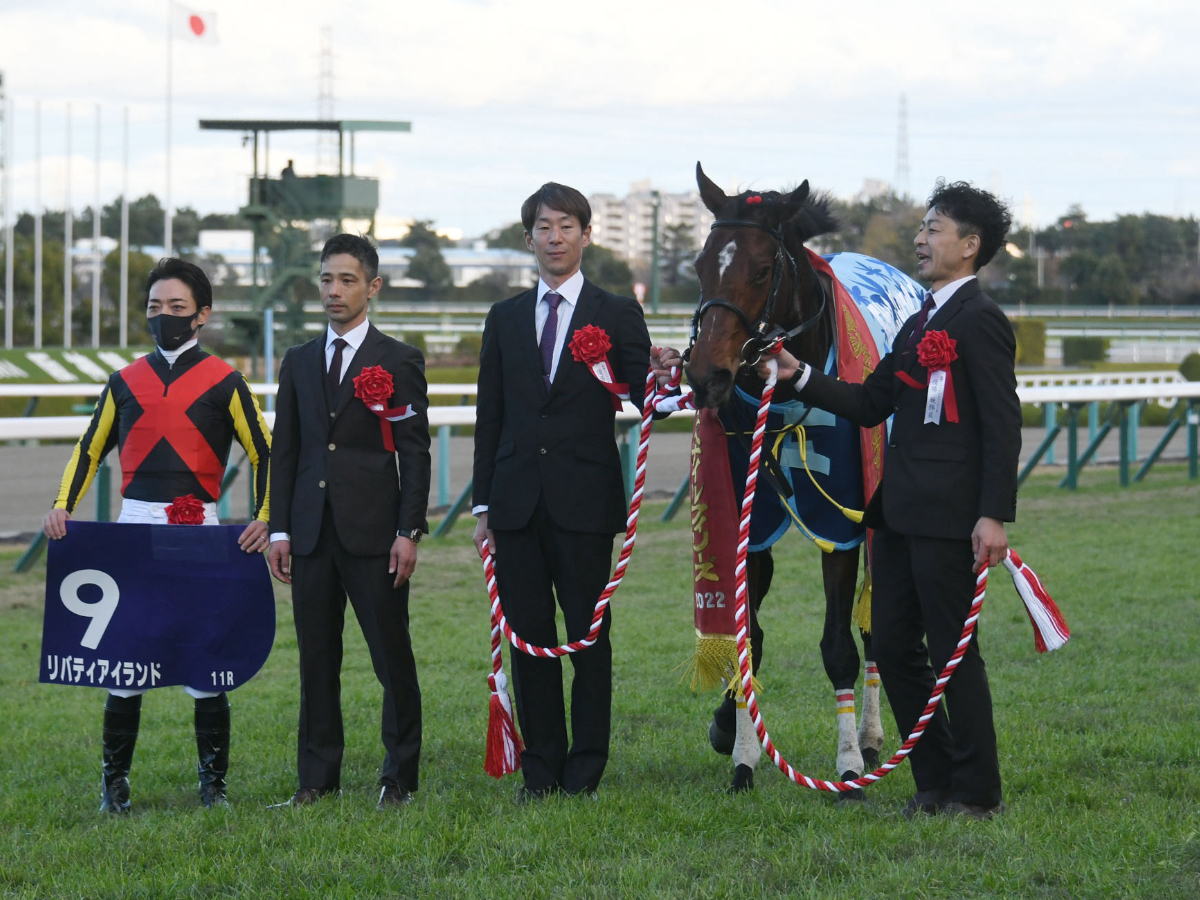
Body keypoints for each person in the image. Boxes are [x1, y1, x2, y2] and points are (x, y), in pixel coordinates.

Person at [762, 181, 1020, 820]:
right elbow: (871, 402)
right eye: (923, 228)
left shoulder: (981, 320)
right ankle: (932, 784)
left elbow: (1002, 423)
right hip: (897, 515)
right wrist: (801, 376)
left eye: (934, 228)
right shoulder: (918, 321)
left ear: (970, 245)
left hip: (951, 520)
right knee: (897, 645)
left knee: (955, 654)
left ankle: (979, 792)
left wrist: (993, 514)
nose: (920, 239)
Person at [472, 183, 681, 801]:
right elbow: (491, 415)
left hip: (584, 502)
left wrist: (669, 374)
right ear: (529, 237)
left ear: (586, 235)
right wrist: (483, 504)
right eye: (543, 227)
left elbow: (648, 396)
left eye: (566, 226)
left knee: (590, 639)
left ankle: (586, 767)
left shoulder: (616, 312)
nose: (555, 237)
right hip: (514, 504)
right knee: (529, 637)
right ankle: (540, 768)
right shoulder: (504, 317)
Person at [43, 258, 272, 813]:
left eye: (176, 307)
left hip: (200, 533)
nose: (164, 316)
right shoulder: (123, 381)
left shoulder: (227, 381)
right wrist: (61, 506)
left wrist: (265, 515)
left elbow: (266, 452)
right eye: (154, 307)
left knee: (204, 662)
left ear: (201, 315)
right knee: (125, 664)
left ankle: (213, 787)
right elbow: (89, 449)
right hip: (133, 536)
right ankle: (114, 786)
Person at [267, 233, 431, 809]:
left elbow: (414, 453)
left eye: (346, 280)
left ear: (372, 287)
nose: (334, 291)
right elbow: (284, 451)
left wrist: (408, 532)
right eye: (326, 280)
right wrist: (280, 529)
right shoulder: (299, 360)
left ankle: (399, 776)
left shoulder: (400, 360)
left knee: (391, 657)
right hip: (310, 536)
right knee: (316, 660)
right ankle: (315, 779)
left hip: (375, 536)